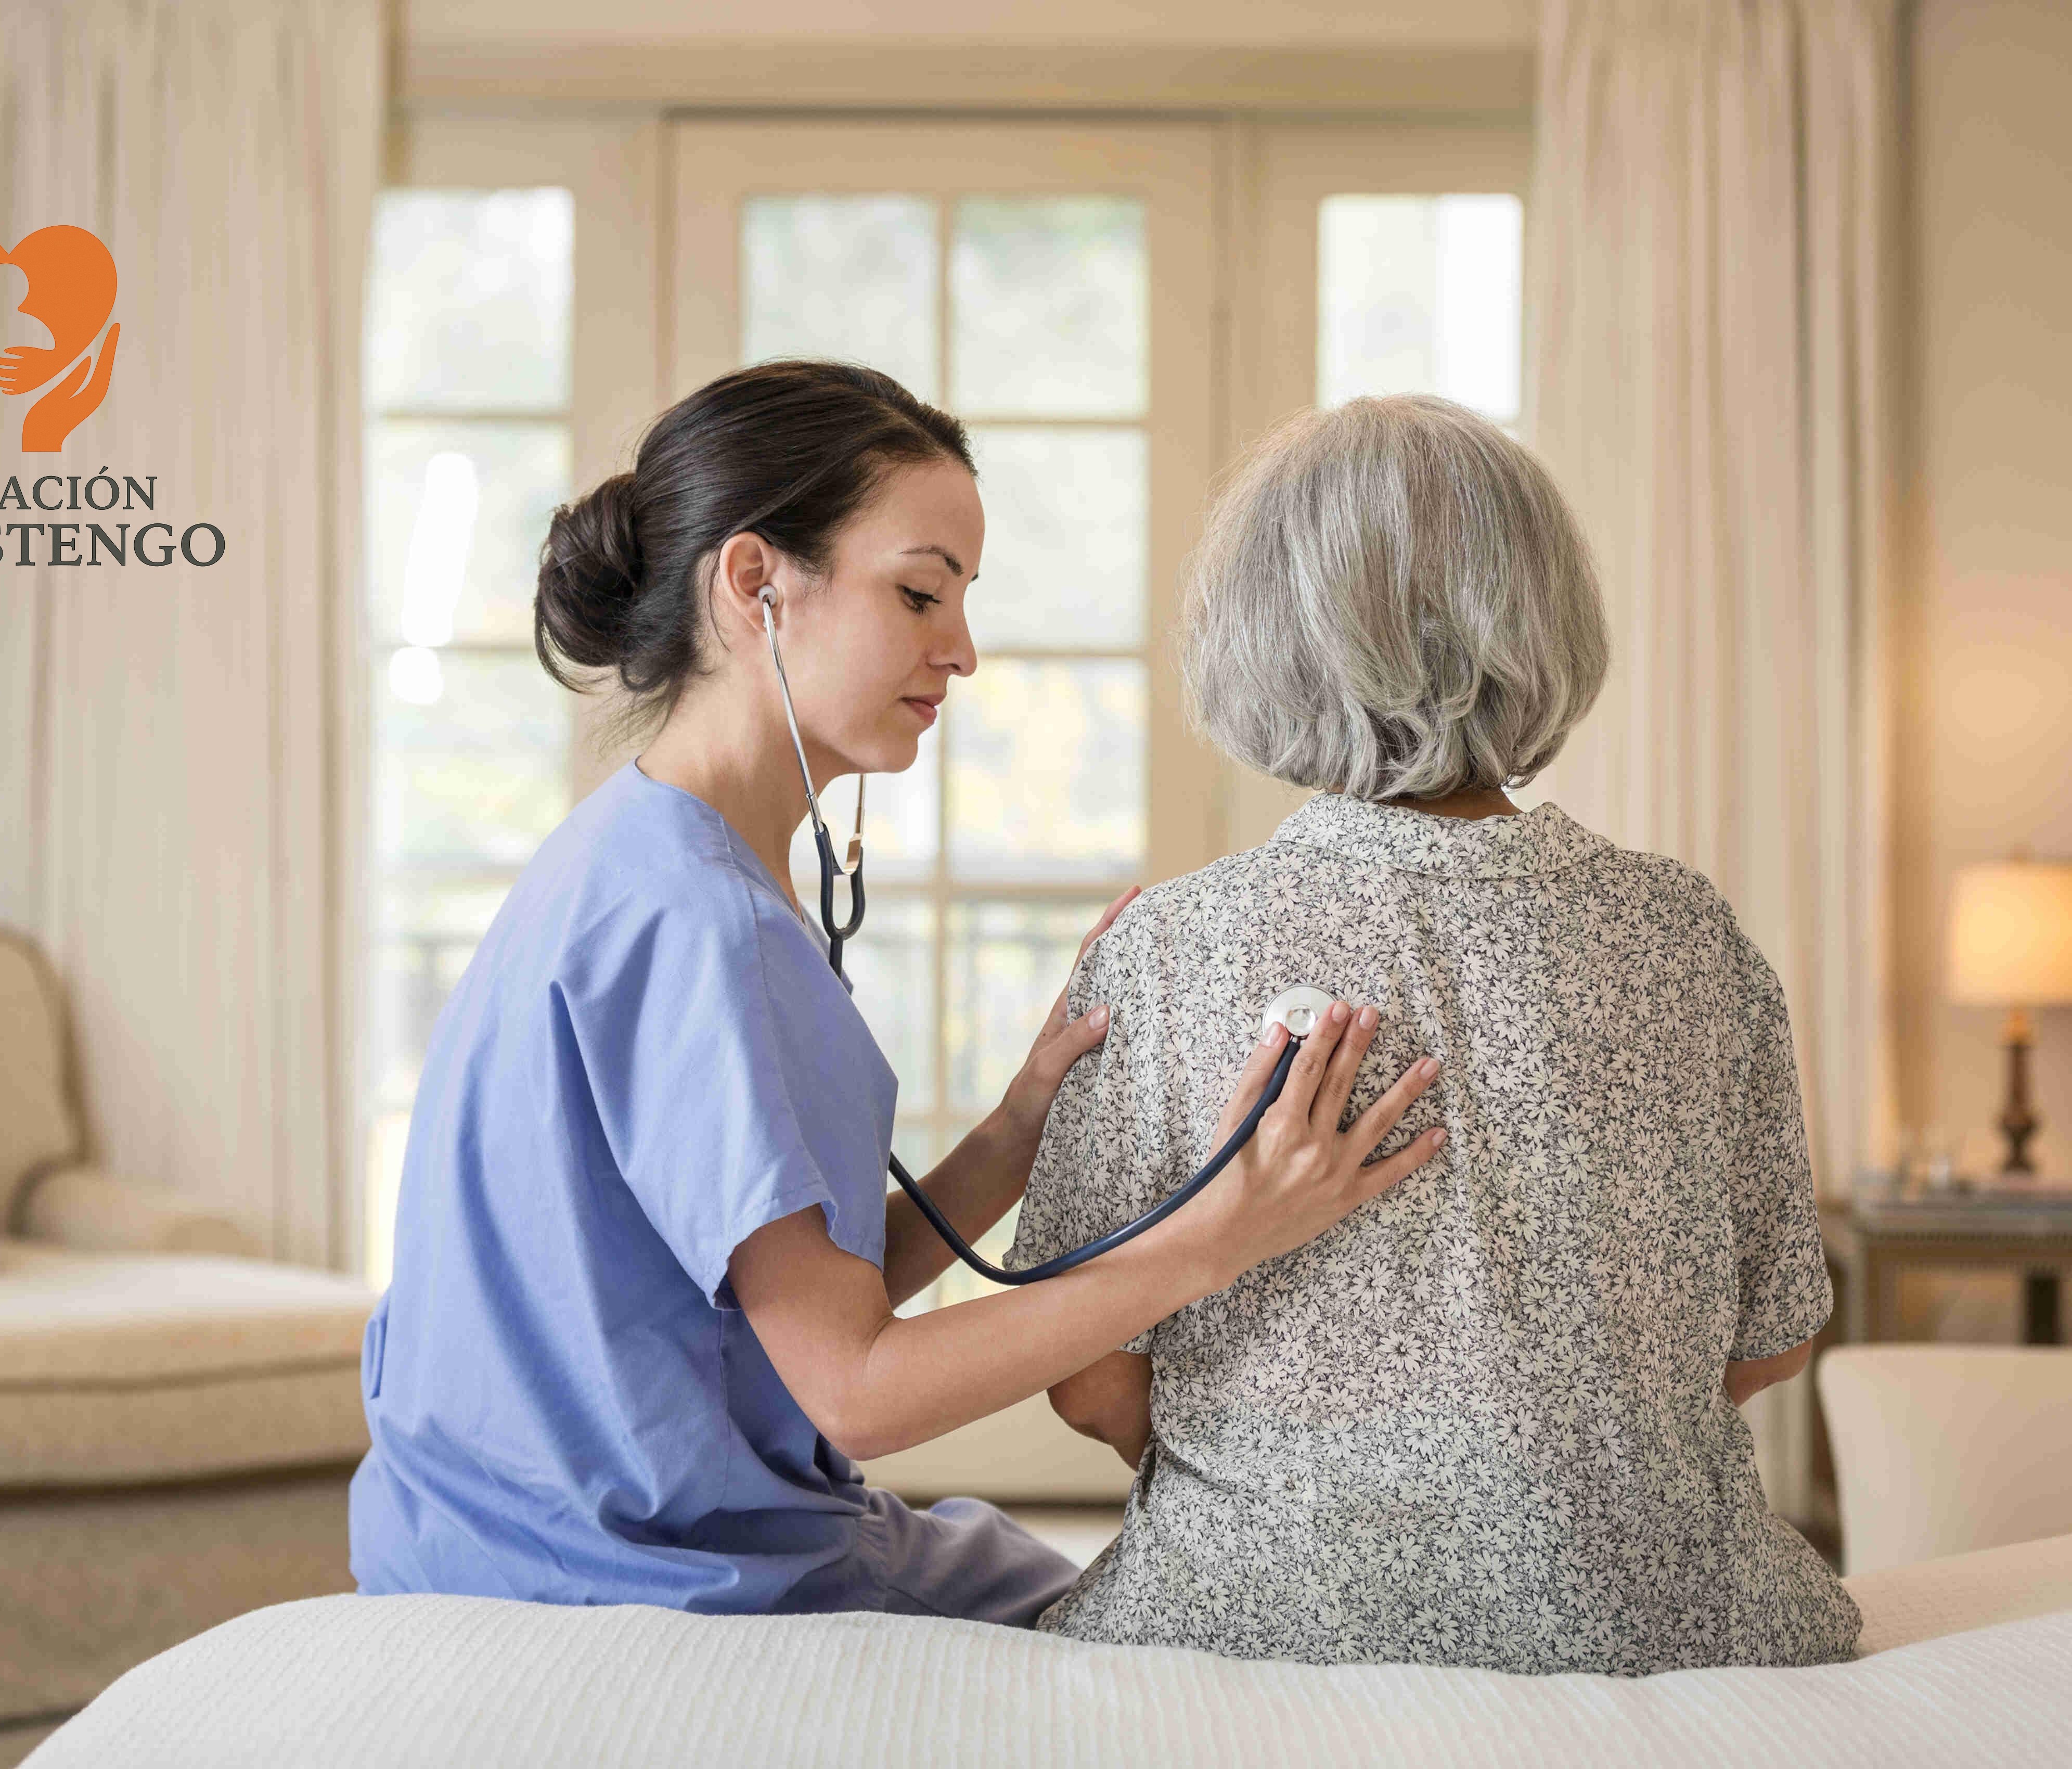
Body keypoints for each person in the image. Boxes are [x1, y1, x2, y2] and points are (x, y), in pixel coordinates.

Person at [347, 361, 1443, 1627]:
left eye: (963, 600)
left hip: (483, 1535)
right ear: (754, 583)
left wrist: (1018, 1127)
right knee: (1151, 1634)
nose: (962, 649)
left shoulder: (632, 851)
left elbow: (782, 1293)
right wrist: (1218, 1238)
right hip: (657, 1568)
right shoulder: (704, 924)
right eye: (920, 592)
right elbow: (856, 1387)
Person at [1009, 393, 1862, 1673]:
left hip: (1252, 1623)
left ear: (1261, 638)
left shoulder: (1166, 949)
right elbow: (1775, 1336)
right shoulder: (1692, 935)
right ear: (1548, 621)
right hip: (1668, 1629)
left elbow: (1087, 1382)